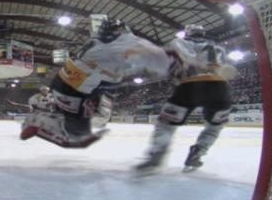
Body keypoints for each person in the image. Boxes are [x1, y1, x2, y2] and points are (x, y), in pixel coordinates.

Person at [20, 17, 170, 148]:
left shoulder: (101, 43)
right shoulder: (122, 43)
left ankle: (58, 123)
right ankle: (39, 121)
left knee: (88, 123)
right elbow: (153, 57)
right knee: (77, 131)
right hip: (74, 86)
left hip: (80, 84)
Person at [135, 24, 237, 174]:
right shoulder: (219, 48)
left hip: (191, 85)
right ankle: (198, 152)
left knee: (166, 124)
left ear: (188, 32)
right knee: (214, 127)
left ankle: (157, 154)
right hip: (220, 88)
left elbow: (183, 60)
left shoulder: (180, 42)